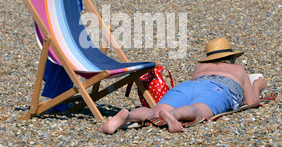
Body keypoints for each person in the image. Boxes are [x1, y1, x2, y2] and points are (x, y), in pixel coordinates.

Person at [99, 37, 266, 134]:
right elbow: (251, 102)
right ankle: (174, 116)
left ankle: (127, 116)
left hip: (188, 86)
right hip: (217, 88)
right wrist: (257, 86)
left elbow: (196, 87)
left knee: (156, 110)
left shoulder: (200, 67)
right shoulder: (237, 69)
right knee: (198, 110)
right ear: (231, 57)